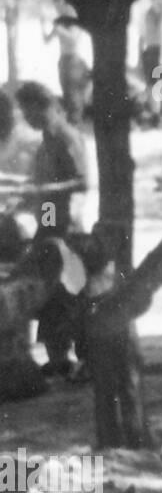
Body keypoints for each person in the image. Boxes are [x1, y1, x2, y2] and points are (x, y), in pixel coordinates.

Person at [13, 82, 89, 379]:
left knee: (71, 295)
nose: (30, 121)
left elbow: (81, 182)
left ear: (47, 107)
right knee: (47, 294)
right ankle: (57, 358)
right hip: (48, 222)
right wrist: (24, 194)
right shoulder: (45, 140)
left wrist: (47, 189)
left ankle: (85, 359)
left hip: (66, 225)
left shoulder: (67, 137)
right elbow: (41, 188)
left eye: (33, 114)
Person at [45, 16, 91, 125]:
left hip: (73, 59)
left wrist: (60, 30)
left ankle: (75, 122)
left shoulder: (74, 27)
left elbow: (74, 40)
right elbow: (47, 40)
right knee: (67, 92)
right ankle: (73, 122)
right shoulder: (60, 28)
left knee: (73, 94)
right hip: (64, 60)